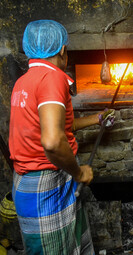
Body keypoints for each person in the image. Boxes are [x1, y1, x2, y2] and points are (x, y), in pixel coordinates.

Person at [9, 20, 113, 255]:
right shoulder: (53, 78)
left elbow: (57, 128)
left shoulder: (24, 81)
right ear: (63, 49)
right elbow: (53, 141)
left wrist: (97, 118)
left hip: (27, 182)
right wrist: (79, 172)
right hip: (46, 186)